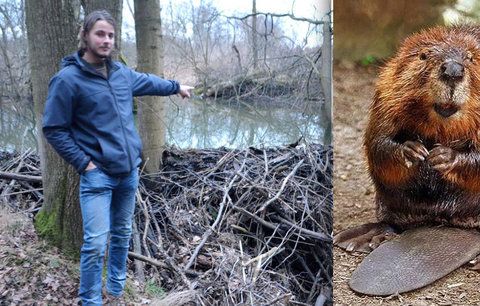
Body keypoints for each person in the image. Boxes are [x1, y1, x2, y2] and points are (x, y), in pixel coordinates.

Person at [42, 9, 192, 305]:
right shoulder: (67, 80)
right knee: (96, 244)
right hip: (97, 176)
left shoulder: (121, 74)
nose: (106, 40)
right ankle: (90, 301)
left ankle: (116, 289)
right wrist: (85, 163)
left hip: (129, 172)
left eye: (110, 35)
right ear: (85, 36)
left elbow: (149, 82)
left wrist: (176, 87)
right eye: (100, 34)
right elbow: (54, 128)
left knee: (122, 234)